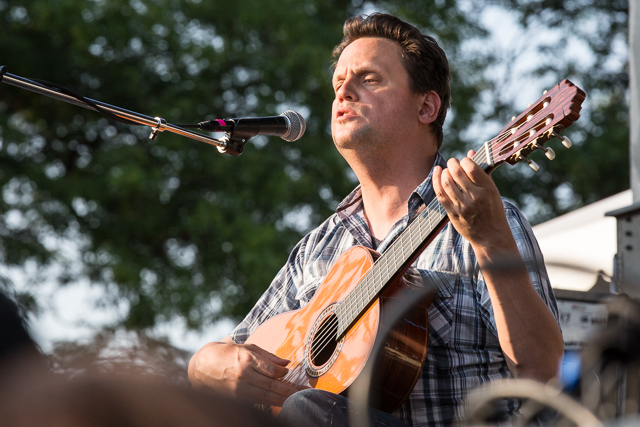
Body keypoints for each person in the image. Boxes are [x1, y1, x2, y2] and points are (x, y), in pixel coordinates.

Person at [188, 13, 564, 427]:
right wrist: (208, 364)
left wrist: (490, 241)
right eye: (338, 84)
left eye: (369, 79)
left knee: (305, 408)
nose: (343, 91)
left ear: (426, 106)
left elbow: (542, 372)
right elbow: (225, 352)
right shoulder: (320, 245)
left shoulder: (485, 217)